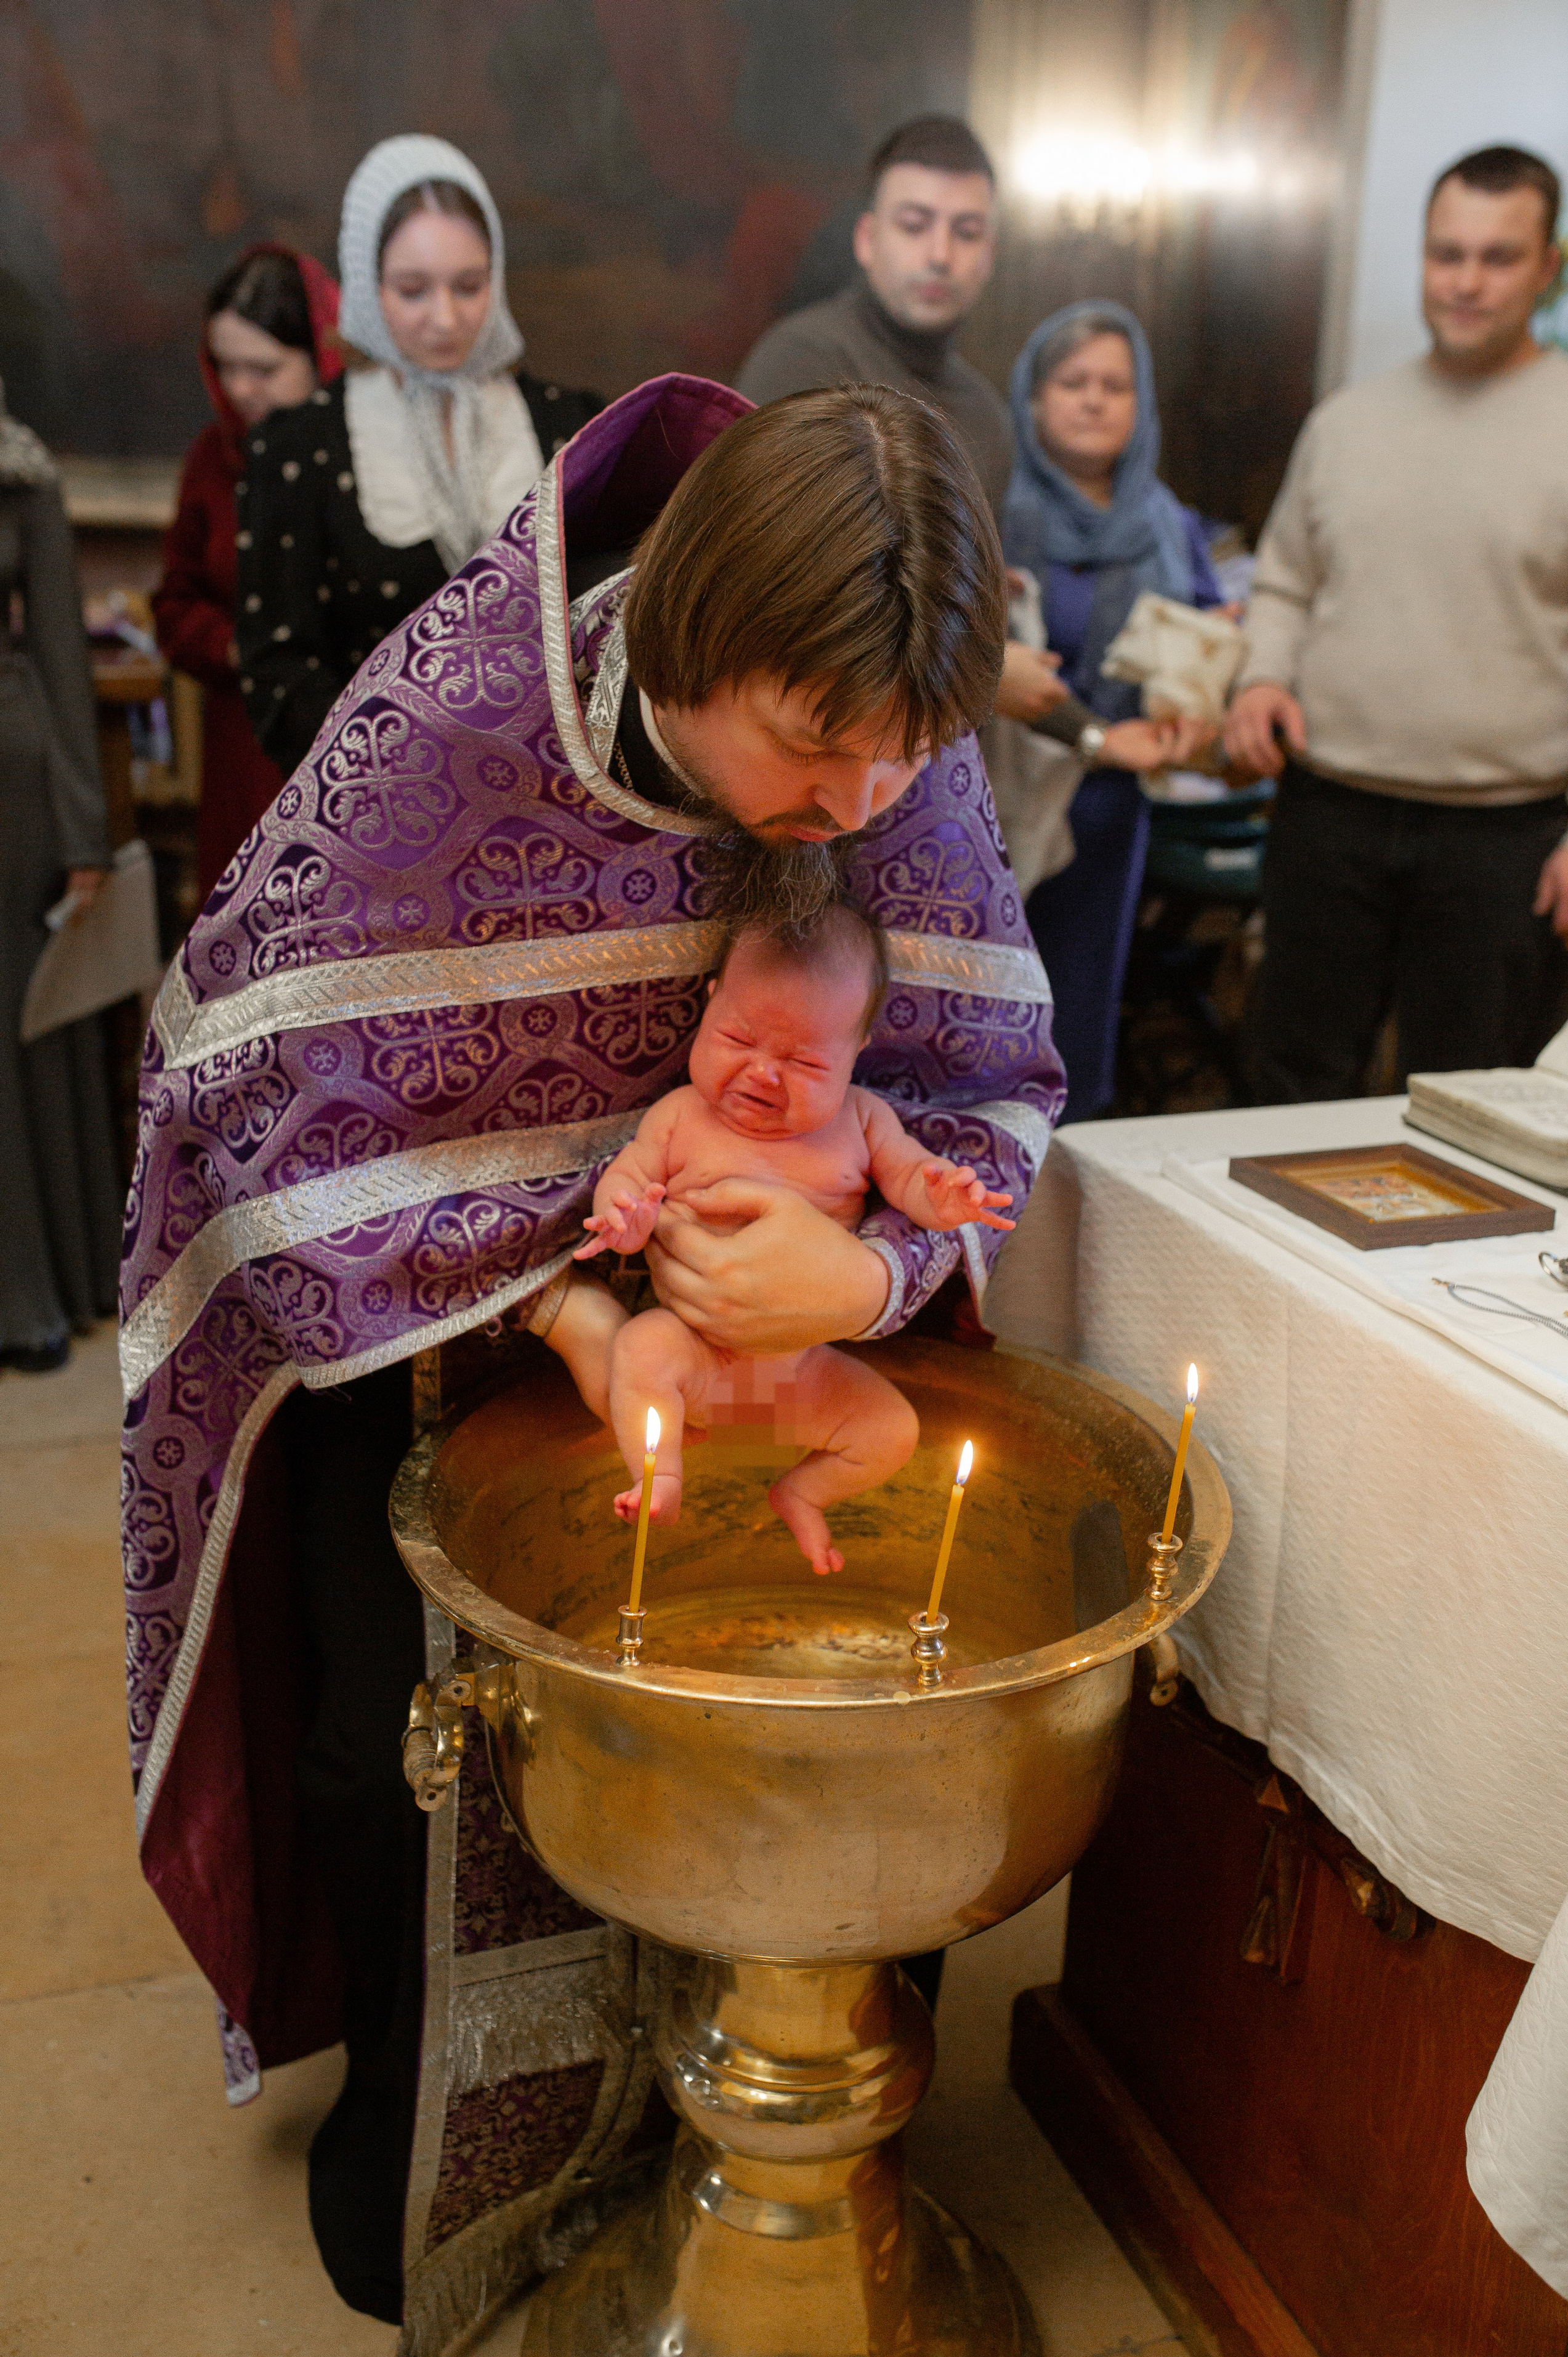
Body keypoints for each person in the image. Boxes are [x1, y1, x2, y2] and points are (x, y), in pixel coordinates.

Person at [121, 376, 1062, 2339]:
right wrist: (578, 1306)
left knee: (800, 1745)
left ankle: (759, 2152)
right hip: (441, 1358)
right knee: (408, 1778)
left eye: (909, 765)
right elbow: (249, 1081)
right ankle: (457, 2159)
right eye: (815, 754)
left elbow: (984, 1077)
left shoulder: (889, 729)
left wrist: (859, 1274)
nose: (862, 810)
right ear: (700, 629)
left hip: (772, 1363)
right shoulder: (456, 712)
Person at [1224, 145, 1568, 1101]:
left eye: (1498, 257)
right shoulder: (1347, 422)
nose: (1464, 282)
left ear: (1551, 267)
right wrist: (1262, 677)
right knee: (1287, 1091)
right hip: (1325, 812)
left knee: (1475, 1110)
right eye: (1444, 253)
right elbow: (1287, 580)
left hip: (1506, 839)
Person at [571, 905, 1014, 1570]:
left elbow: (911, 1180)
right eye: (738, 1039)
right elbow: (628, 1182)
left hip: (801, 1372)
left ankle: (803, 1495)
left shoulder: (864, 1120)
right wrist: (624, 1220)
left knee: (892, 1431)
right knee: (639, 1348)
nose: (762, 1074)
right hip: (696, 1352)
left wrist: (948, 1197)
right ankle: (659, 1475)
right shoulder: (679, 1117)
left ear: (856, 1051)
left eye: (804, 1062)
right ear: (710, 1001)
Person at [236, 134, 600, 779]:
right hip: (379, 811)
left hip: (553, 799)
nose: (446, 318)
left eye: (469, 286)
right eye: (412, 290)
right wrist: (404, 778)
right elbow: (280, 671)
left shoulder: (568, 427)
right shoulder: (301, 450)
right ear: (367, 282)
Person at [1001, 302, 1221, 1121]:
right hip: (1003, 801)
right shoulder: (997, 507)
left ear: (1142, 405)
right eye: (1073, 382)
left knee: (1081, 1019)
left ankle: (1076, 1202)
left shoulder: (1165, 521)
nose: (1094, 400)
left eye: (1116, 386)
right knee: (994, 1015)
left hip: (1111, 809)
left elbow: (1205, 632)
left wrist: (1191, 707)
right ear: (1032, 398)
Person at [152, 245, 342, 901]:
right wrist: (237, 646)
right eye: (224, 365)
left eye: (262, 368)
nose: (238, 389)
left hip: (345, 746)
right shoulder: (214, 457)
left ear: (320, 357)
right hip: (243, 752)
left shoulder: (364, 455)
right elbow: (175, 605)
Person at [0, 381, 120, 1372]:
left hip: (12, 779)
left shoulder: (19, 464)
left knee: (21, 1027)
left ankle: (33, 1294)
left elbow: (57, 650)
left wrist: (84, 830)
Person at [737, 115, 1012, 513]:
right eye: (914, 225)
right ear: (866, 240)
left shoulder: (988, 419)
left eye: (966, 233)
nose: (941, 255)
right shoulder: (801, 364)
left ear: (989, 256)